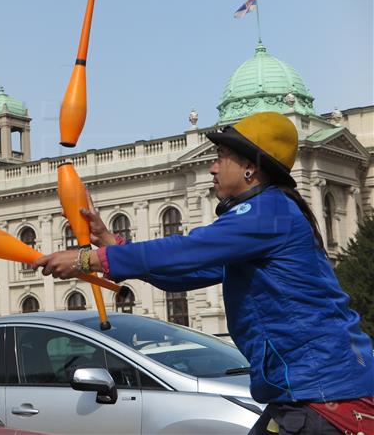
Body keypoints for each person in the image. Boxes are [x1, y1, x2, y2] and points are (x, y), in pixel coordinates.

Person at [33, 112, 374, 435]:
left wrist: (88, 260)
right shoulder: (265, 216)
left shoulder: (266, 213)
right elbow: (184, 271)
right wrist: (110, 242)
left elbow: (186, 250)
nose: (211, 168)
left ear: (249, 168)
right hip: (307, 390)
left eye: (220, 156)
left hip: (320, 392)